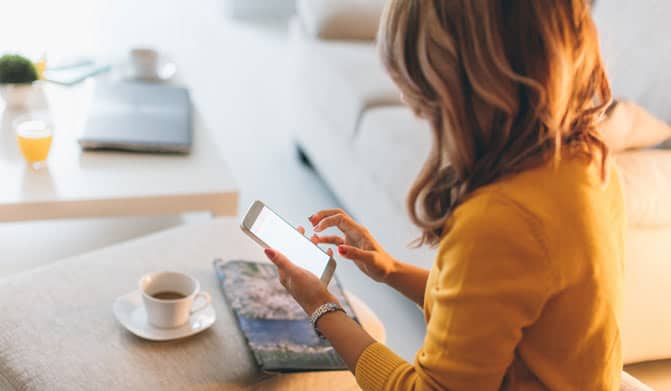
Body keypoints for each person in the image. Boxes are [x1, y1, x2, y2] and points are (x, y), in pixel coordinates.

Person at [264, 1, 633, 389]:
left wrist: (323, 310)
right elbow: (496, 308)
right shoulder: (589, 161)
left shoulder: (500, 219)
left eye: (423, 94)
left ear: (468, 88)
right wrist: (391, 272)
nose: (411, 106)